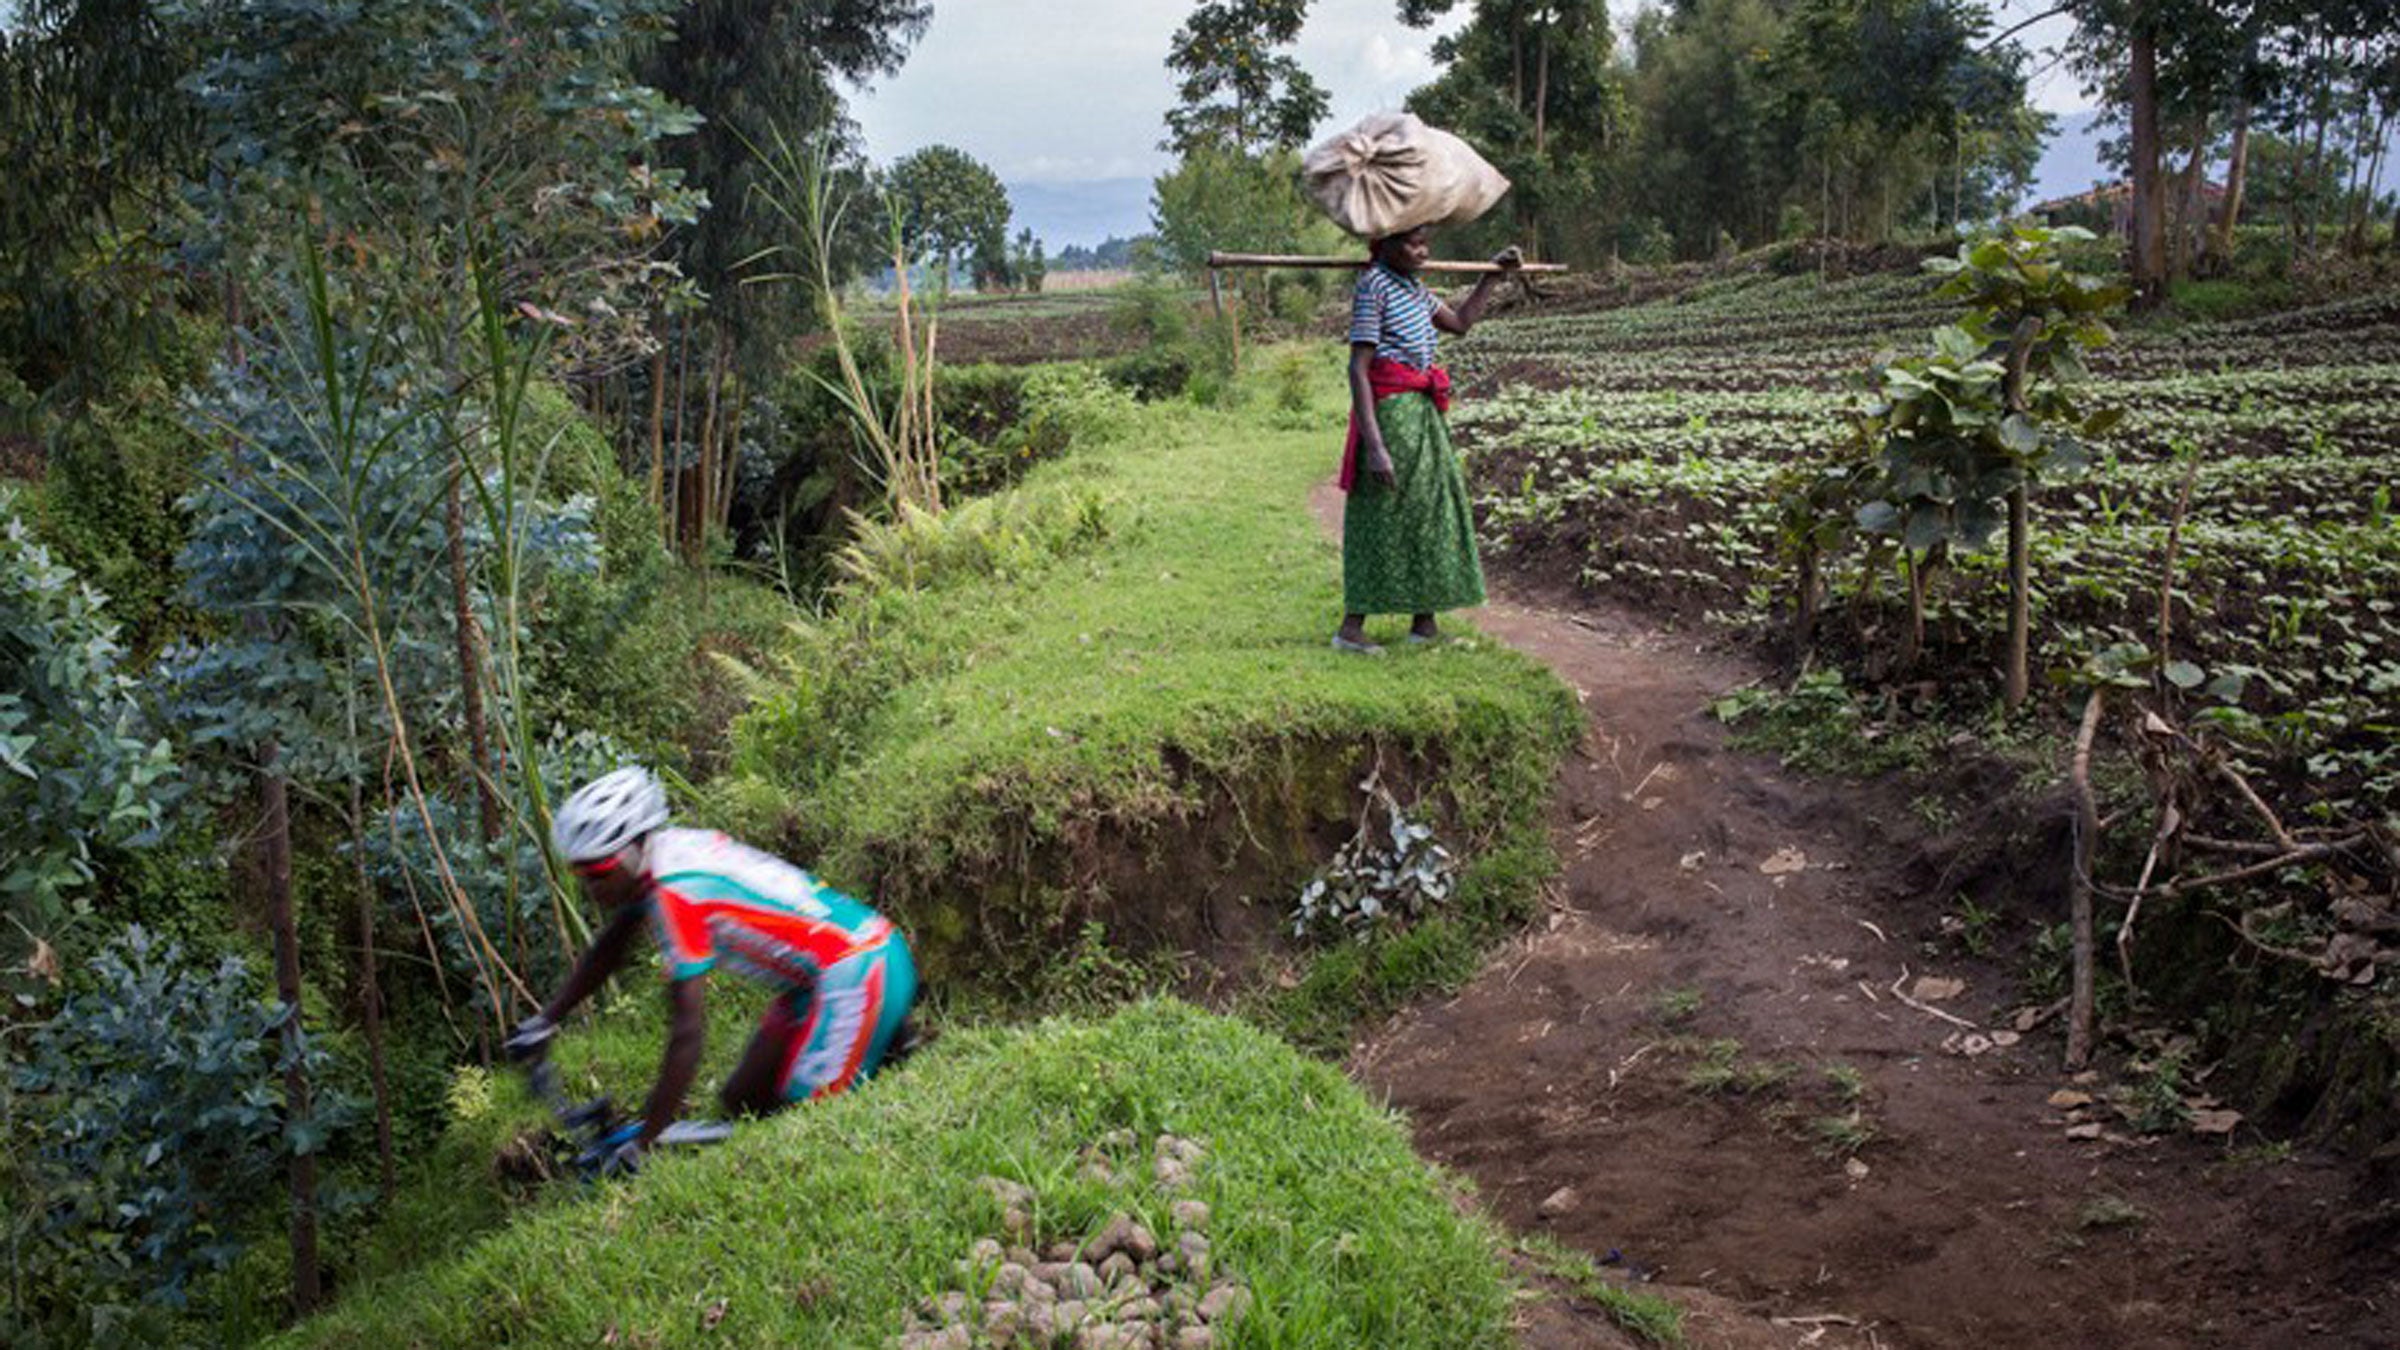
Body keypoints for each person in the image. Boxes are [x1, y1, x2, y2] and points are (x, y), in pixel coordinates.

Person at [504, 767, 920, 1173]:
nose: (590, 887)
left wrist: (645, 1141)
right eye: (580, 873)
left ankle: (888, 1057)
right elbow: (612, 945)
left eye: (598, 872)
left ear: (632, 850)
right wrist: (546, 1019)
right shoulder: (663, 854)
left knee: (807, 1129)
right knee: (743, 1100)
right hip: (817, 981)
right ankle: (886, 1049)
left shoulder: (676, 892)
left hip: (858, 970)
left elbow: (687, 1032)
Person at [1334, 225, 1522, 654]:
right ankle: (1351, 628)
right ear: (1386, 246)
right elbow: (1358, 368)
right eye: (1413, 243)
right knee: (1384, 510)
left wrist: (1491, 276)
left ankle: (1424, 622)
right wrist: (1375, 446)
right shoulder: (1373, 287)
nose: (1423, 251)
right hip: (1392, 412)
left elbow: (1460, 323)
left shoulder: (1414, 289)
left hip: (1422, 410)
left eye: (1425, 243)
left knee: (1430, 507)